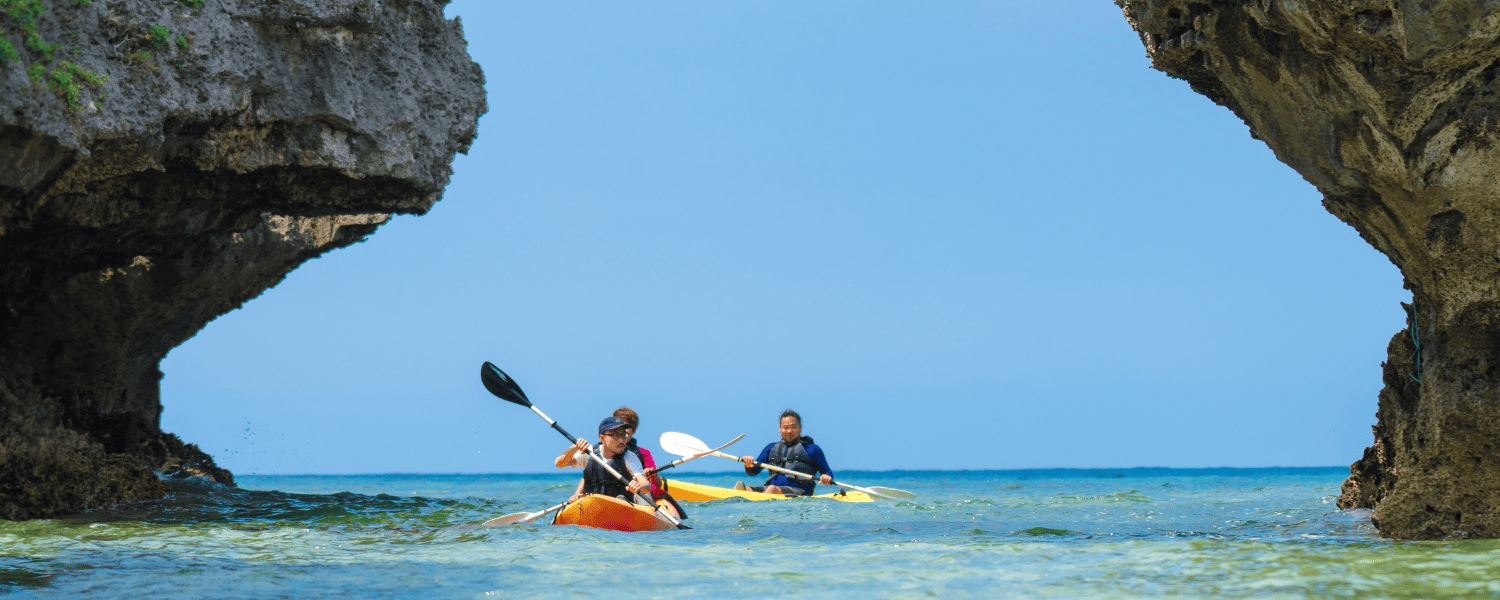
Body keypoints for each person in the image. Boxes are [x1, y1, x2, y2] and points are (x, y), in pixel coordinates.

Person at [556, 416, 653, 504]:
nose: (621, 440)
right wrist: (575, 447)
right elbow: (559, 463)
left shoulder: (629, 456)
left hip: (622, 505)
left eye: (624, 434)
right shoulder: (590, 453)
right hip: (594, 505)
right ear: (602, 438)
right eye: (616, 435)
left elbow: (645, 484)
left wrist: (639, 486)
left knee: (639, 496)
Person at [737, 409, 834, 496]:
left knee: (772, 489)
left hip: (799, 491)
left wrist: (826, 477)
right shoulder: (771, 448)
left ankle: (759, 512)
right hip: (770, 489)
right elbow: (753, 472)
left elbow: (827, 472)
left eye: (793, 427)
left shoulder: (812, 449)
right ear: (779, 428)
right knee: (745, 489)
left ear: (800, 427)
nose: (789, 431)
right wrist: (748, 464)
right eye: (785, 427)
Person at [612, 407, 685, 519]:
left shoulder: (643, 453)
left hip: (642, 493)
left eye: (625, 430)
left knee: (665, 496)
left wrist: (652, 474)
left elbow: (657, 484)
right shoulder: (605, 451)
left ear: (633, 430)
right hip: (616, 492)